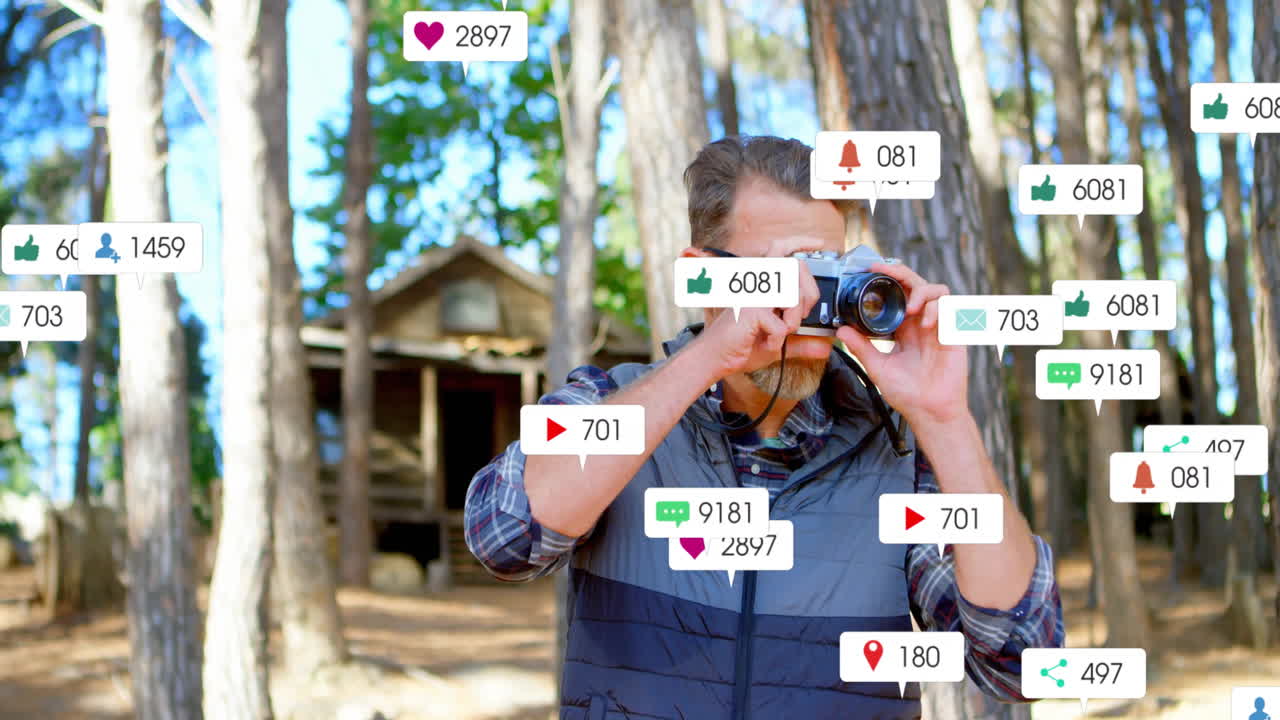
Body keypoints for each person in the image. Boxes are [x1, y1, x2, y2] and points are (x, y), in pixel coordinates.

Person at [465, 136, 1065, 719]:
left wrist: (945, 418)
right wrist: (707, 360)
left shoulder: (899, 459)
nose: (806, 308)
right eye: (783, 276)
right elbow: (504, 536)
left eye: (826, 272)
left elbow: (1019, 660)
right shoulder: (608, 403)